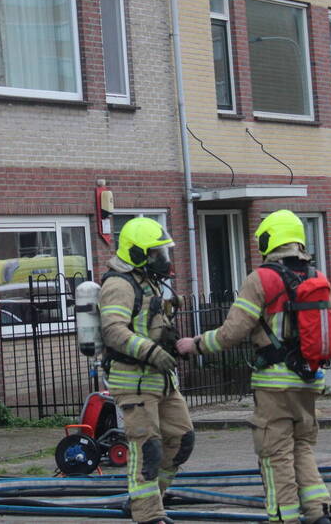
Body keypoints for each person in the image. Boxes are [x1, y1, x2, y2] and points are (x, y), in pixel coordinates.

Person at [177, 210, 331, 524]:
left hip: (275, 384)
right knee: (302, 445)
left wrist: (194, 344)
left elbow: (231, 332)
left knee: (274, 452)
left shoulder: (261, 278)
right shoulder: (318, 277)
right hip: (309, 378)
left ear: (269, 239)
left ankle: (282, 517)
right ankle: (320, 510)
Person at [99, 217, 194, 524]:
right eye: (155, 253)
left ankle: (147, 497)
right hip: (134, 381)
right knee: (147, 449)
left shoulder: (146, 280)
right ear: (137, 254)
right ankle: (148, 514)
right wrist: (151, 351)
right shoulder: (118, 285)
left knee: (181, 441)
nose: (162, 259)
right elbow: (113, 330)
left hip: (161, 380)